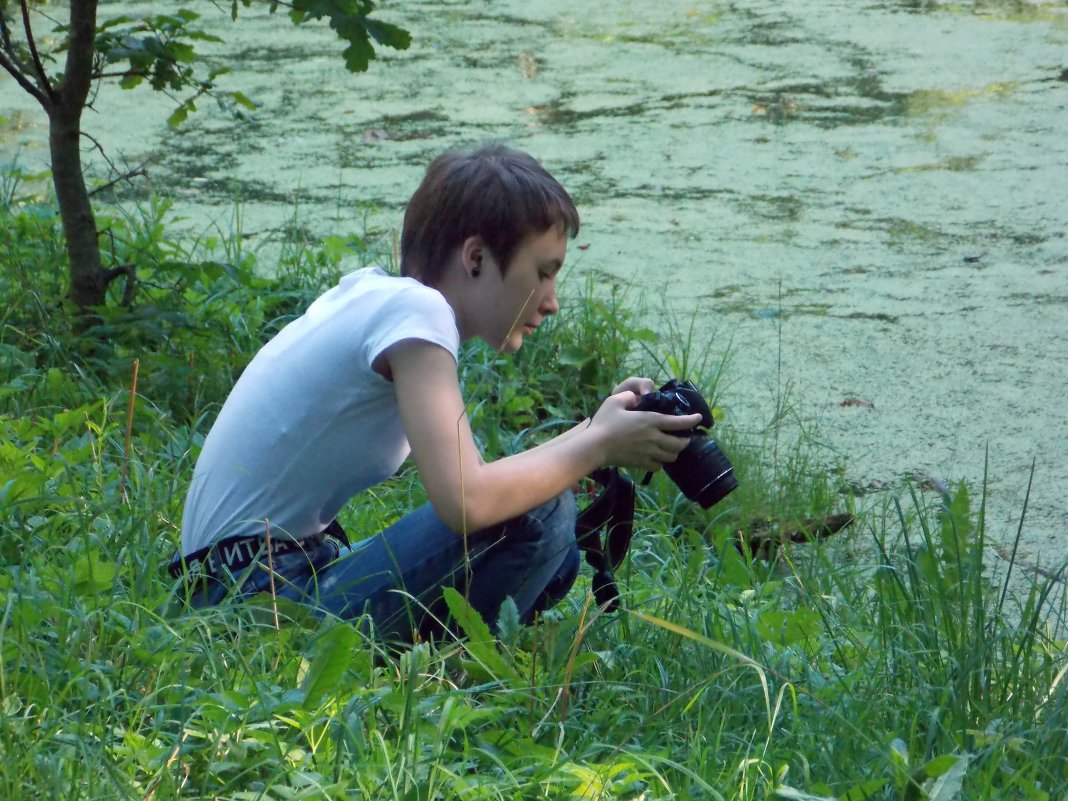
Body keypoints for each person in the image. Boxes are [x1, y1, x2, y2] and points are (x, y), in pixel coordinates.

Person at [175, 143, 701, 643]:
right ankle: (455, 671)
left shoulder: (383, 300)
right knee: (541, 516)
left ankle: (435, 658)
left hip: (237, 584)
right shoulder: (417, 312)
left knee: (556, 554)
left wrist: (595, 432)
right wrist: (598, 445)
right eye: (542, 274)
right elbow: (468, 501)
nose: (552, 302)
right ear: (475, 257)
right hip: (249, 597)